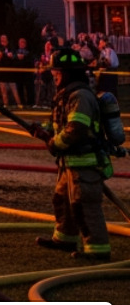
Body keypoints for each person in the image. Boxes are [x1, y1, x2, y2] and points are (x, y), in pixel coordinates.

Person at [31, 48, 115, 261]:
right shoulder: (66, 95)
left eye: (56, 72)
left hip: (84, 164)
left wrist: (54, 143)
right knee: (62, 201)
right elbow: (60, 122)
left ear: (67, 73)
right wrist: (43, 129)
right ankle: (64, 238)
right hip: (69, 163)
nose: (54, 76)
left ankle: (97, 250)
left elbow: (76, 128)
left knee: (84, 206)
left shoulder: (80, 96)